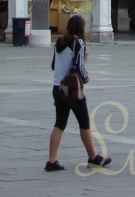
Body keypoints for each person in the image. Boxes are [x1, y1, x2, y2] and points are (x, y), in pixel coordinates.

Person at [44, 15, 112, 172]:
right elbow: (80, 66)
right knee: (84, 123)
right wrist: (86, 77)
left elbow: (54, 65)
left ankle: (51, 160)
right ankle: (93, 157)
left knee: (59, 123)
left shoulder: (59, 41)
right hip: (72, 88)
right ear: (81, 28)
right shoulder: (78, 42)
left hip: (57, 87)